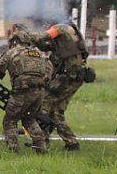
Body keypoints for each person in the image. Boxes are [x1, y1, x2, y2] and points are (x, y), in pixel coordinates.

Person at [0, 31, 52, 153]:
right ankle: (41, 148)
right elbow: (49, 71)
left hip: (22, 92)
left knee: (10, 121)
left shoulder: (12, 53)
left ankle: (13, 150)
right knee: (29, 119)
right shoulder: (39, 54)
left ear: (15, 41)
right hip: (39, 93)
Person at [31, 21, 93, 151]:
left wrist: (28, 34)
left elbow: (42, 38)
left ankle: (42, 142)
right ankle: (71, 143)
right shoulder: (68, 33)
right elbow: (43, 46)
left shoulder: (60, 28)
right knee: (56, 112)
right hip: (74, 77)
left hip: (68, 77)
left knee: (44, 104)